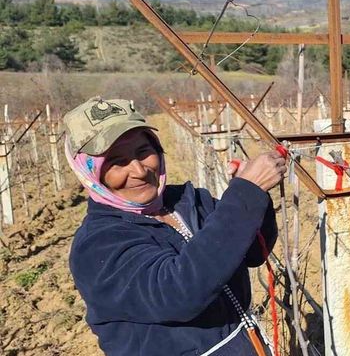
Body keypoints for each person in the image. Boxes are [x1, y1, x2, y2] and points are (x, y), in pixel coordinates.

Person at [63, 97, 285, 356]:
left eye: (143, 151)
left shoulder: (188, 200)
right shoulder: (97, 245)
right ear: (90, 173)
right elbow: (179, 291)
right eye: (116, 162)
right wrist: (245, 194)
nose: (138, 170)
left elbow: (253, 254)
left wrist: (252, 197)